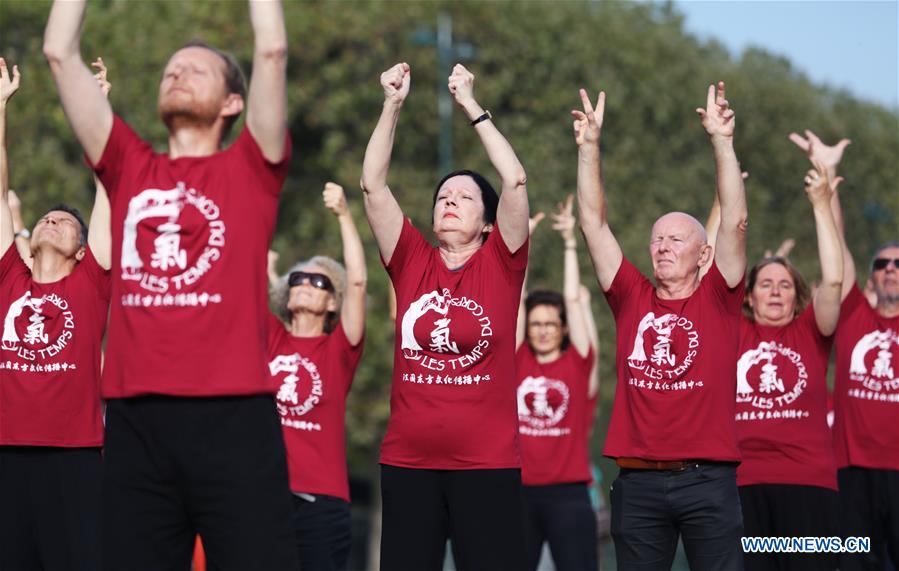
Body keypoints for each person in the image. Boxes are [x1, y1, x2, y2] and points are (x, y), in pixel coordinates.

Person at [43, 1, 298, 568]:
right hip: (136, 424)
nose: (176, 73)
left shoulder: (251, 168)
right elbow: (60, 51)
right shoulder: (129, 166)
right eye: (169, 70)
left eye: (196, 69)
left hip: (234, 421)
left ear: (234, 102)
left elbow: (273, 48)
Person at [361, 61, 530, 570]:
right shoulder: (412, 260)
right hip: (409, 464)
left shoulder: (502, 263)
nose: (449, 201)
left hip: (487, 466)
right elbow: (372, 186)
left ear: (487, 222)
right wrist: (392, 104)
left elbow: (516, 179)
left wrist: (471, 106)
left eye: (464, 197)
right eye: (442, 197)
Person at [575, 83, 748, 570]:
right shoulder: (631, 295)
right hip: (638, 484)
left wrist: (722, 140)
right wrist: (589, 149)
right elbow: (593, 223)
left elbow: (734, 221)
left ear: (704, 254)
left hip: (707, 483)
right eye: (656, 239)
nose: (663, 246)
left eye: (676, 238)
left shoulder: (719, 297)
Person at [0, 57, 111, 571]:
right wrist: (0, 108)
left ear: (84, 251)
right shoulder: (8, 279)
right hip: (6, 452)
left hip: (74, 456)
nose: (51, 220)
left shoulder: (90, 283)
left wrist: (99, 108)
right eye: (47, 216)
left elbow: (107, 190)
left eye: (66, 222)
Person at [706, 158, 843, 570]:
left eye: (785, 284)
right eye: (765, 284)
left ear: (797, 294)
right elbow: (709, 266)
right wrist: (719, 202)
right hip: (742, 486)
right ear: (748, 296)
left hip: (810, 485)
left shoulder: (811, 331)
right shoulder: (732, 331)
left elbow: (834, 280)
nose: (776, 291)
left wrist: (821, 204)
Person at [790, 130, 899, 570]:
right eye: (881, 265)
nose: (890, 270)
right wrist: (828, 172)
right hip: (851, 472)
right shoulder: (854, 314)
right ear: (870, 277)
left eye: (898, 265)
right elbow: (836, 250)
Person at [268, 182, 366, 571]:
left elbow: (358, 283)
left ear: (332, 303)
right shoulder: (269, 338)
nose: (306, 284)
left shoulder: (338, 350)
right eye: (298, 280)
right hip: (261, 499)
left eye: (319, 282)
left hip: (320, 505)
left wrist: (345, 216)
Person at [515, 195, 600, 571]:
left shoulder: (577, 365)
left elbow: (571, 296)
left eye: (551, 324)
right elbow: (514, 299)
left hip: (570, 496)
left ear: (563, 327)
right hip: (516, 494)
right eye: (536, 324)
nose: (543, 331)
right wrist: (524, 247)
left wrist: (569, 243)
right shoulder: (516, 361)